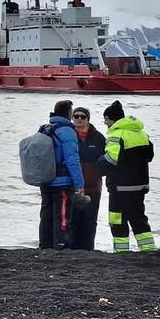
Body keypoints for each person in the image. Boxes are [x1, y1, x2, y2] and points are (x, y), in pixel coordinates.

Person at [98, 100, 156, 253]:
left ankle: (121, 252)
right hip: (139, 185)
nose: (105, 122)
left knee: (117, 220)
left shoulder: (116, 135)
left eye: (106, 119)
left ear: (113, 119)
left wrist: (96, 164)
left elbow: (111, 160)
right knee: (139, 218)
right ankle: (148, 249)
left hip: (120, 187)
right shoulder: (141, 133)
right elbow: (149, 156)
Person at [38, 99, 86, 250]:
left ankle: (45, 245)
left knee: (46, 215)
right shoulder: (67, 131)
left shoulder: (45, 128)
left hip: (46, 180)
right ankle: (61, 245)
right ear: (69, 113)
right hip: (62, 183)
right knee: (63, 215)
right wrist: (80, 184)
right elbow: (72, 159)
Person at [70, 106, 106, 250]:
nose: (79, 119)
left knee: (90, 220)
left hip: (93, 185)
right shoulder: (69, 135)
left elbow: (107, 158)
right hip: (73, 186)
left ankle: (88, 248)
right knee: (73, 219)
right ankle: (72, 248)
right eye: (76, 116)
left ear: (88, 119)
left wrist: (98, 173)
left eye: (82, 116)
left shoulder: (98, 137)